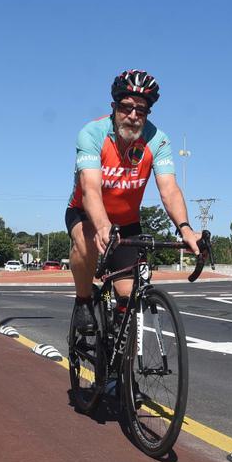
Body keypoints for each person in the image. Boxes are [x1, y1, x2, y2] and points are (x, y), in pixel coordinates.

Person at [67, 69, 200, 332]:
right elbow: (90, 188)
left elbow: (169, 189)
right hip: (86, 214)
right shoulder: (92, 134)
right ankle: (83, 301)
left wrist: (185, 228)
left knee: (127, 299)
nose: (133, 116)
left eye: (141, 110)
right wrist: (103, 224)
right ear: (114, 107)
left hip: (127, 223)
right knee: (85, 240)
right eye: (127, 107)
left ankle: (119, 362)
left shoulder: (158, 140)